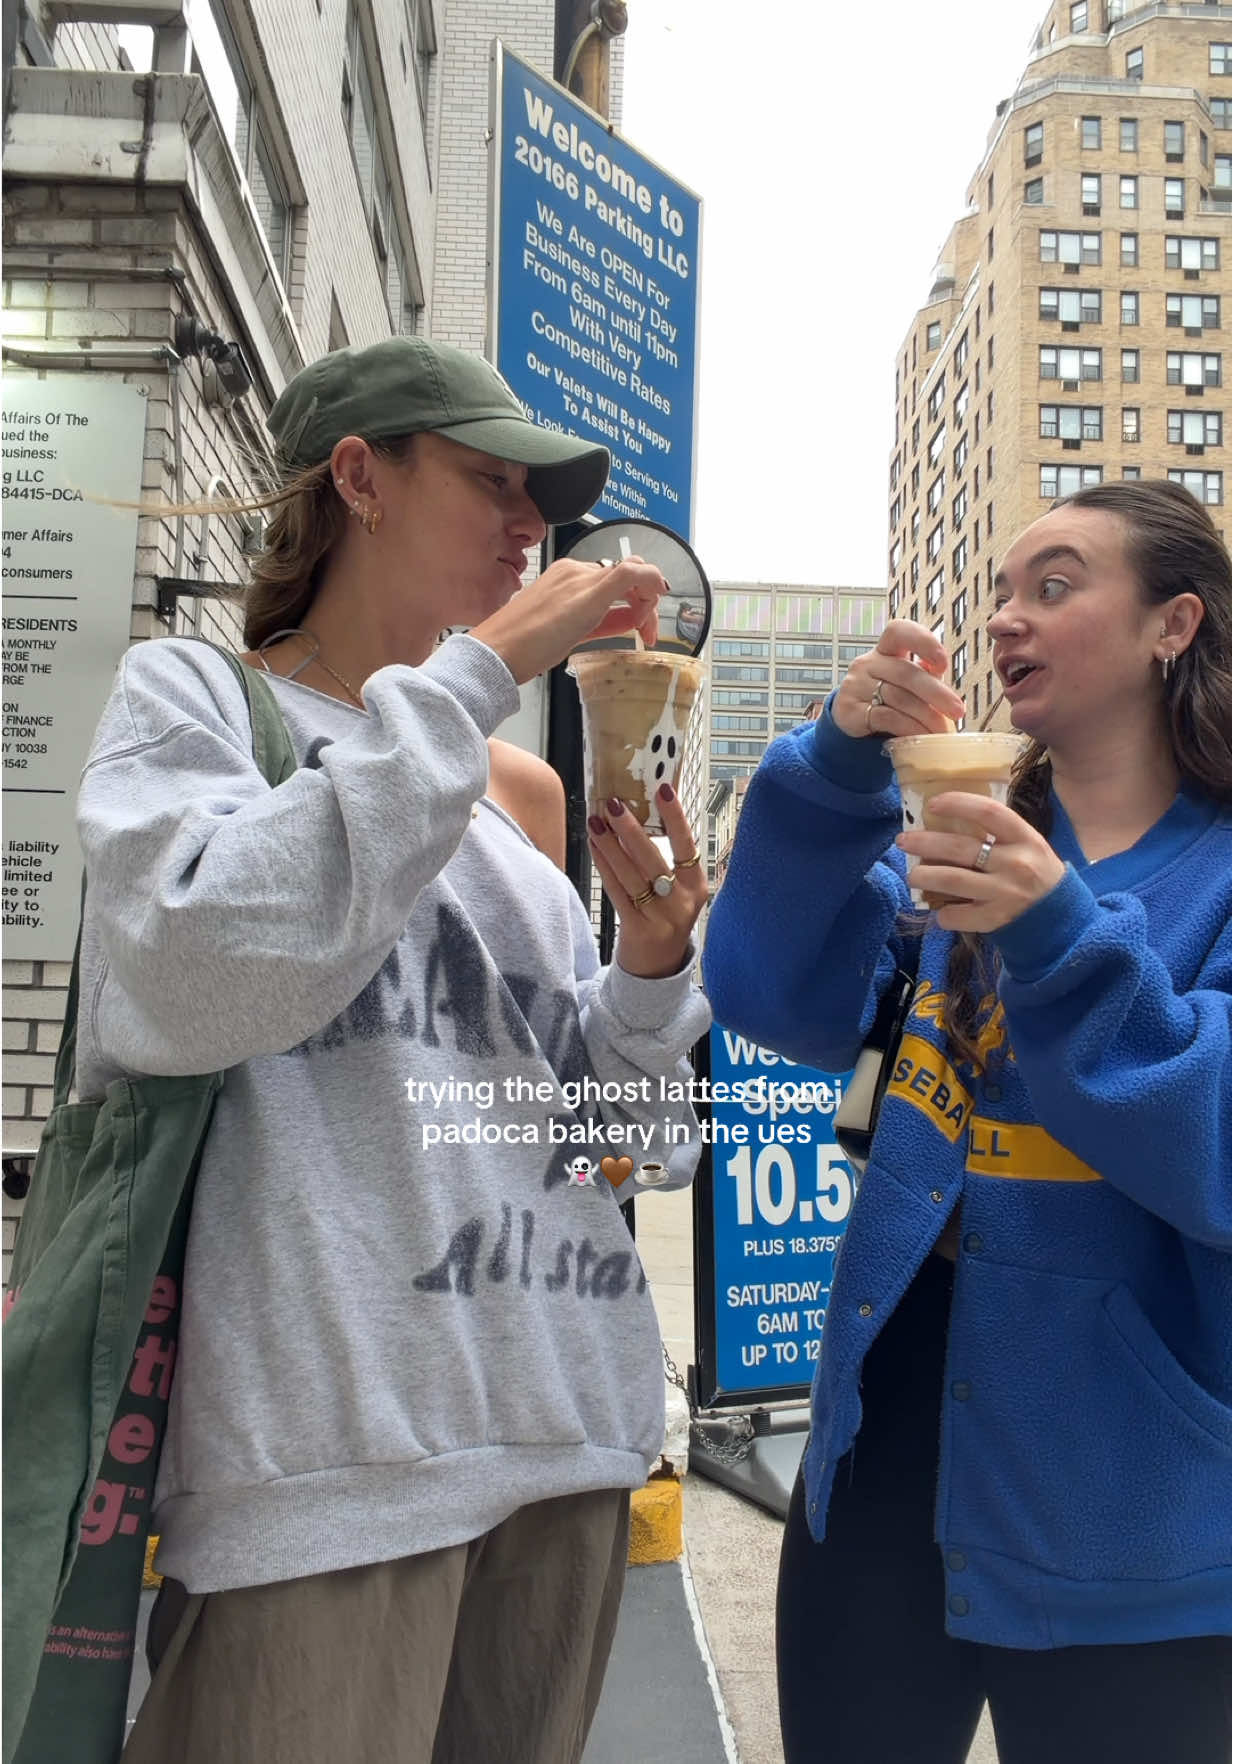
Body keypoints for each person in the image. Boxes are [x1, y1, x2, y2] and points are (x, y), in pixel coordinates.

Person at [72, 336, 711, 1764]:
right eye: (493, 482)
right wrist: (483, 671)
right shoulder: (196, 701)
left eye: (540, 502)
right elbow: (193, 974)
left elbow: (626, 1152)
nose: (530, 527)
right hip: (330, 1464)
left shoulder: (510, 801)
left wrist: (651, 970)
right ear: (360, 477)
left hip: (561, 1436)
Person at [702, 480, 1231, 1764]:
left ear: (1173, 625)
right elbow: (771, 991)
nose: (1003, 619)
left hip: (1128, 1497)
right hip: (881, 1448)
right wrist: (833, 771)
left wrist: (1056, 937)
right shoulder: (952, 858)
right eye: (1000, 593)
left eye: (1054, 586)